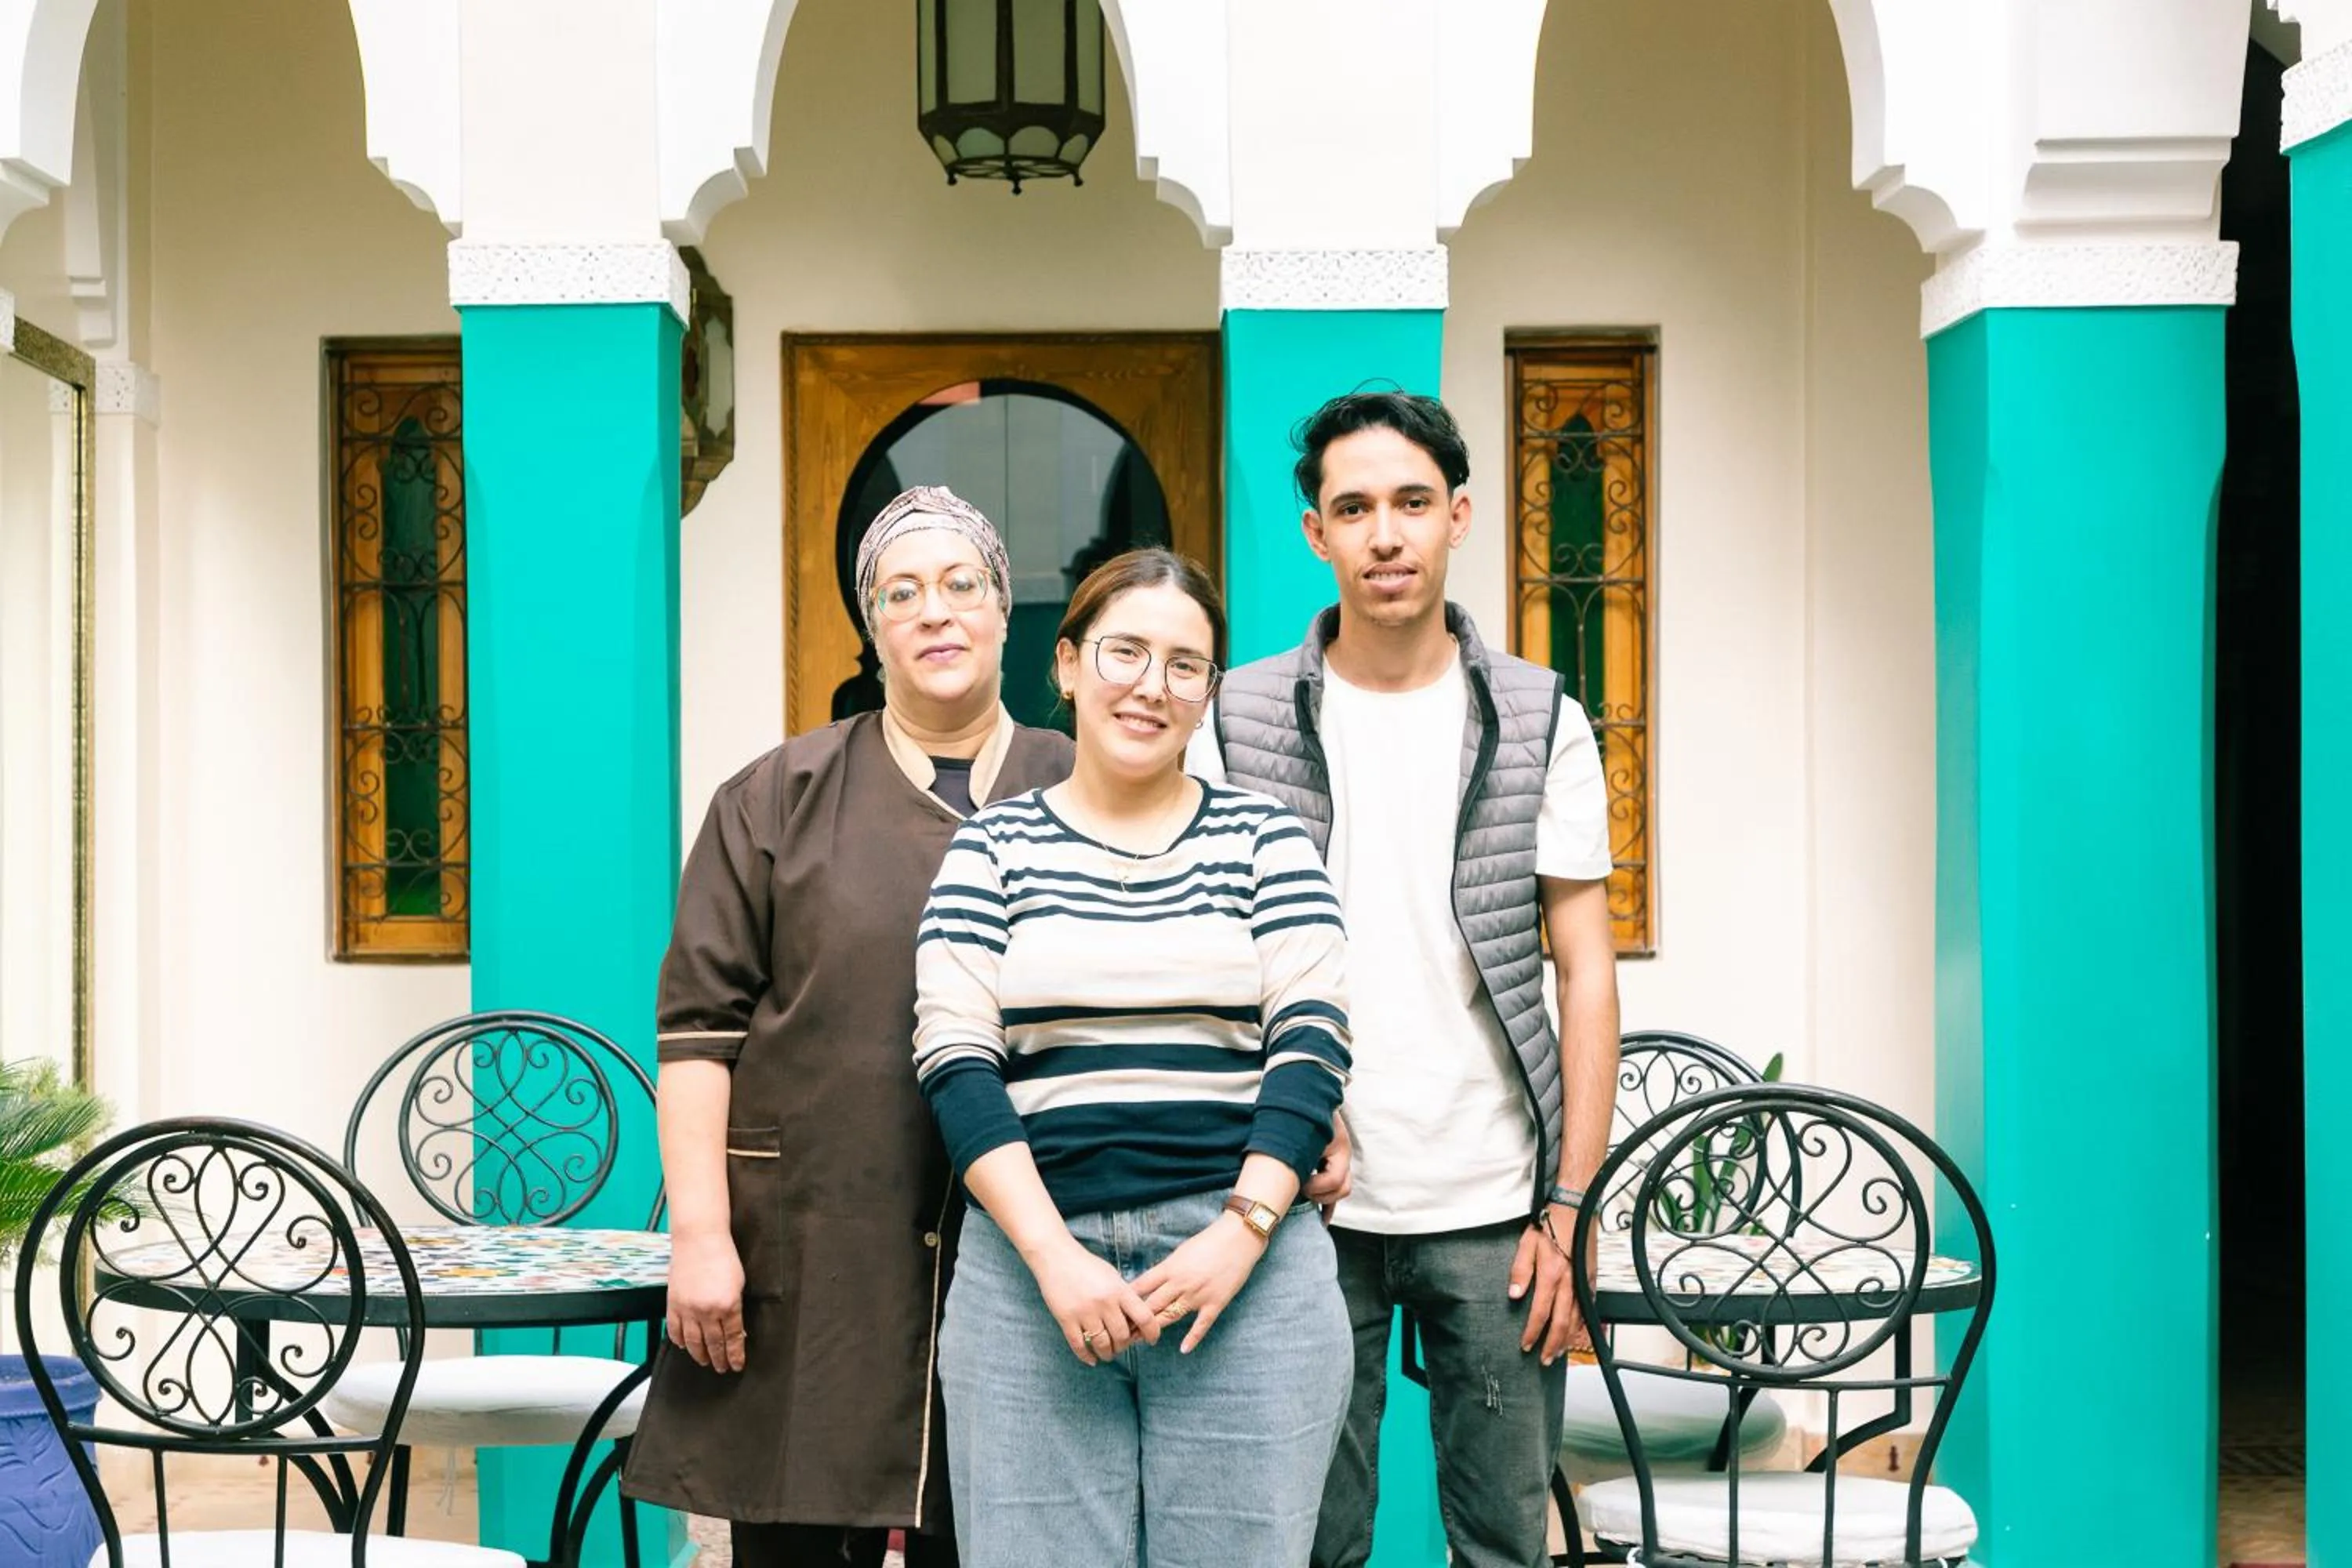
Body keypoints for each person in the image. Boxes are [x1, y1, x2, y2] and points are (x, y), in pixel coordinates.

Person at [1187, 392, 1623, 1568]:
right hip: (1303, 1201)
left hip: (1495, 1204)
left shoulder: (1539, 715)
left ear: (1460, 516)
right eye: (1355, 507)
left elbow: (1584, 972)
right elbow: (1212, 955)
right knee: (1308, 1541)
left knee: (1501, 1543)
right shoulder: (1237, 716)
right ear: (1314, 533)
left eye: (1412, 504)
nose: (1386, 533)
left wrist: (1572, 1208)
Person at [621, 487, 1076, 1568]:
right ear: (871, 628)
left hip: (1032, 1246)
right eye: (902, 592)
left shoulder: (1081, 785)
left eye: (963, 586)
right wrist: (699, 1236)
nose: (936, 613)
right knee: (791, 1532)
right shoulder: (774, 798)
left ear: (1006, 612)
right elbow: (697, 1031)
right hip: (812, 1242)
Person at [913, 548, 1356, 1568]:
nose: (1150, 686)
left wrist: (1241, 1234)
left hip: (1248, 1282)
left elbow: (1312, 1038)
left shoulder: (1266, 841)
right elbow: (955, 1060)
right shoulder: (990, 851)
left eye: (1184, 664)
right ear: (1066, 665)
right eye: (1124, 652)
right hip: (1032, 1283)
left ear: (1208, 691)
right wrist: (1054, 1259)